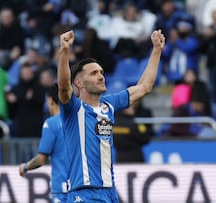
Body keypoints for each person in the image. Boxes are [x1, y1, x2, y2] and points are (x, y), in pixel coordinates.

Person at [57, 29, 164, 202]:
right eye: (94, 73)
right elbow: (63, 86)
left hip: (109, 193)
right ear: (79, 83)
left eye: (101, 72)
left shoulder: (109, 105)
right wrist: (64, 51)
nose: (101, 76)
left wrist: (156, 51)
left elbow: (144, 87)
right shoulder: (74, 109)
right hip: (84, 193)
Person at [18, 84, 69, 203]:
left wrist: (25, 167)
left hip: (62, 190)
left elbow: (41, 160)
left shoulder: (51, 124)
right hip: (82, 187)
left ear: (51, 100)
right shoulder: (78, 121)